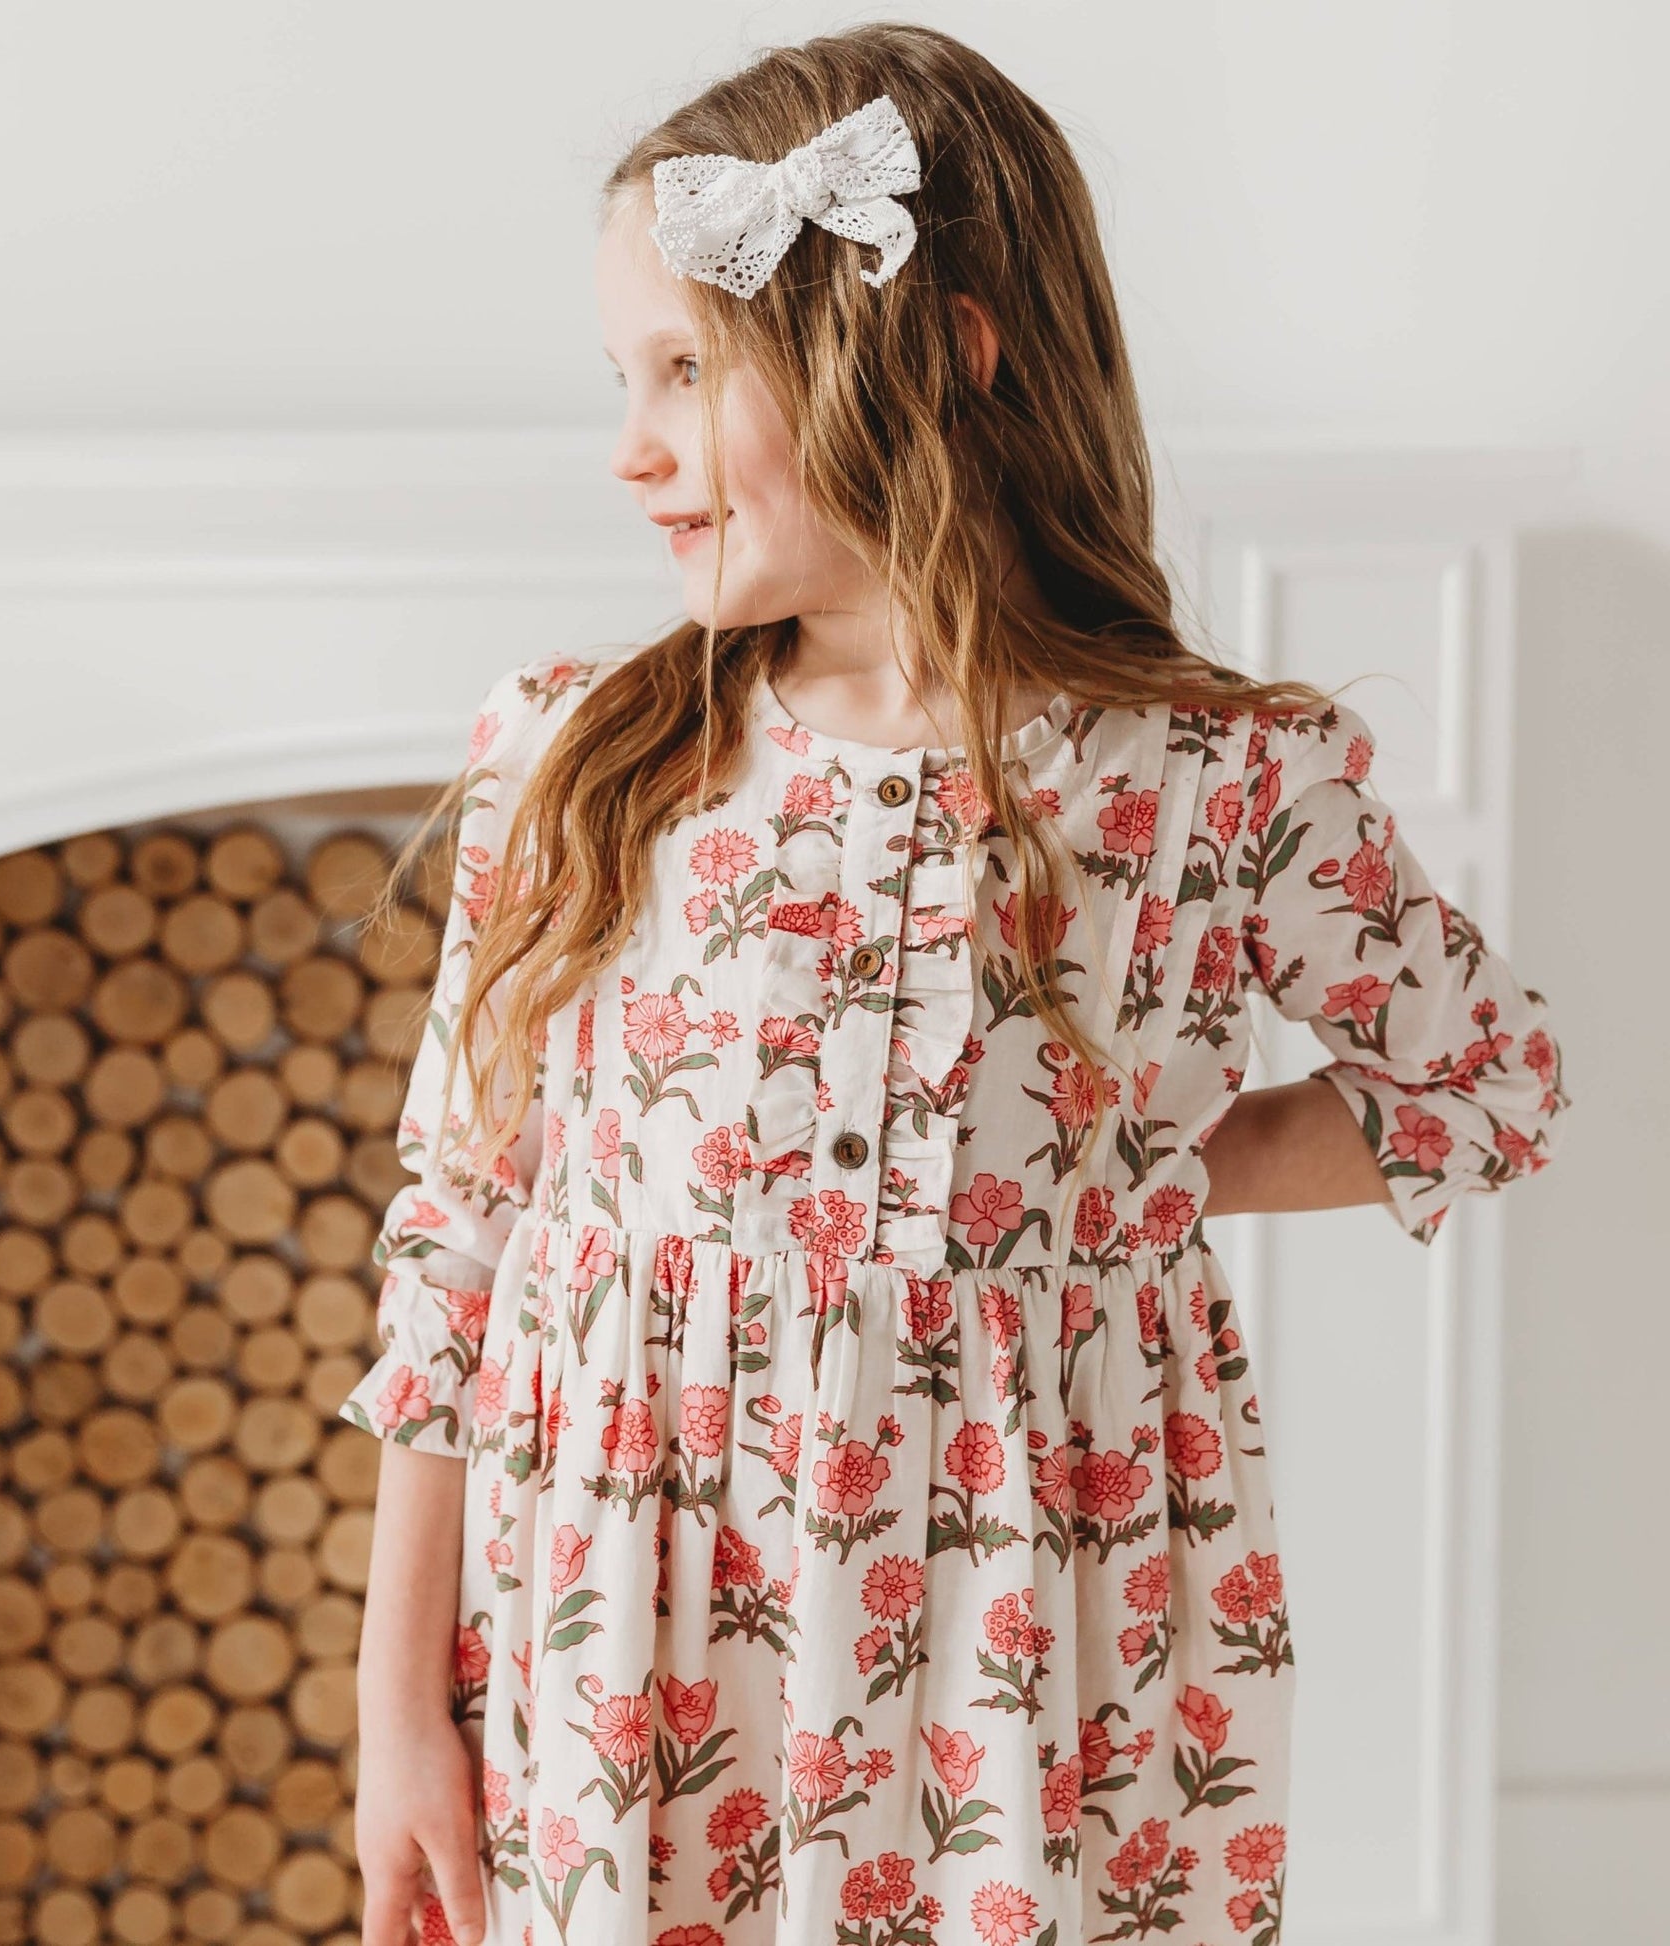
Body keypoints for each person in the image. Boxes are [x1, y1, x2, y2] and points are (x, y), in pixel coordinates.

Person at [341, 23, 1573, 1946]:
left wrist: (1148, 1178)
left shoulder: (1214, 778)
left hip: (1033, 1650)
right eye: (623, 378)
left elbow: (1482, 1085)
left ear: (947, 355)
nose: (630, 443)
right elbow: (463, 1233)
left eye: (687, 370)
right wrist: (391, 1711)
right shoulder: (575, 754)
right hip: (628, 1656)